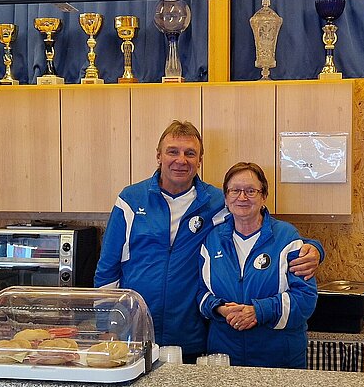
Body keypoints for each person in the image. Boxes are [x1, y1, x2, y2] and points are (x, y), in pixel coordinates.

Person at [95, 121, 322, 362]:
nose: (181, 160)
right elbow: (107, 268)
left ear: (199, 160)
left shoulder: (216, 203)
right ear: (158, 156)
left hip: (190, 336)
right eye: (173, 151)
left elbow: (261, 230)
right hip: (134, 333)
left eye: (190, 153)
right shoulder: (131, 200)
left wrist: (314, 249)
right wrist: (106, 324)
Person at [197, 162, 317, 369]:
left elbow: (305, 299)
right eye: (235, 190)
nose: (242, 197)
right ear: (226, 197)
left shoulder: (287, 238)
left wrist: (259, 311)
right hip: (225, 358)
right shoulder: (212, 240)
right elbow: (201, 292)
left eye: (251, 191)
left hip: (279, 359)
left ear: (264, 197)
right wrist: (220, 309)